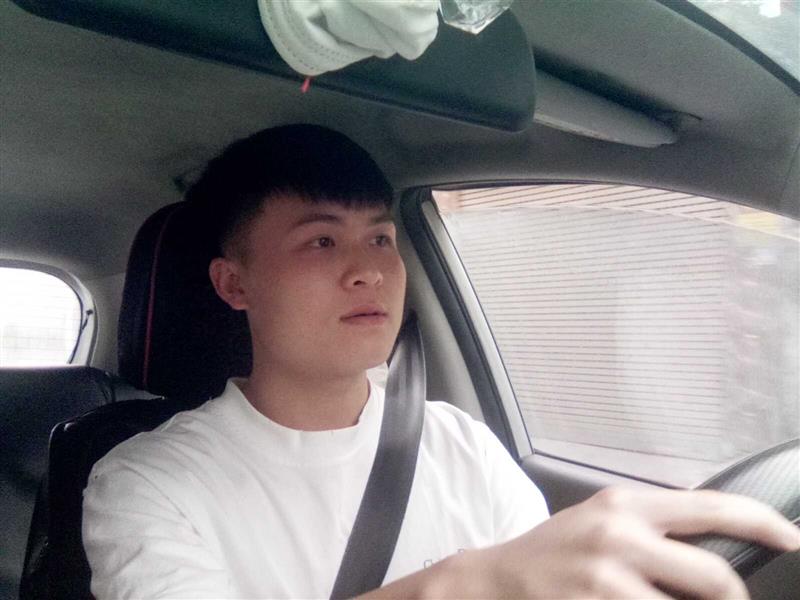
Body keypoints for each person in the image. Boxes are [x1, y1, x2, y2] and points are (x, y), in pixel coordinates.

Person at [82, 124, 799, 599]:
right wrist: (469, 585)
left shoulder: (460, 443)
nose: (369, 270)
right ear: (234, 284)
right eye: (322, 242)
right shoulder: (145, 482)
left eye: (380, 239)